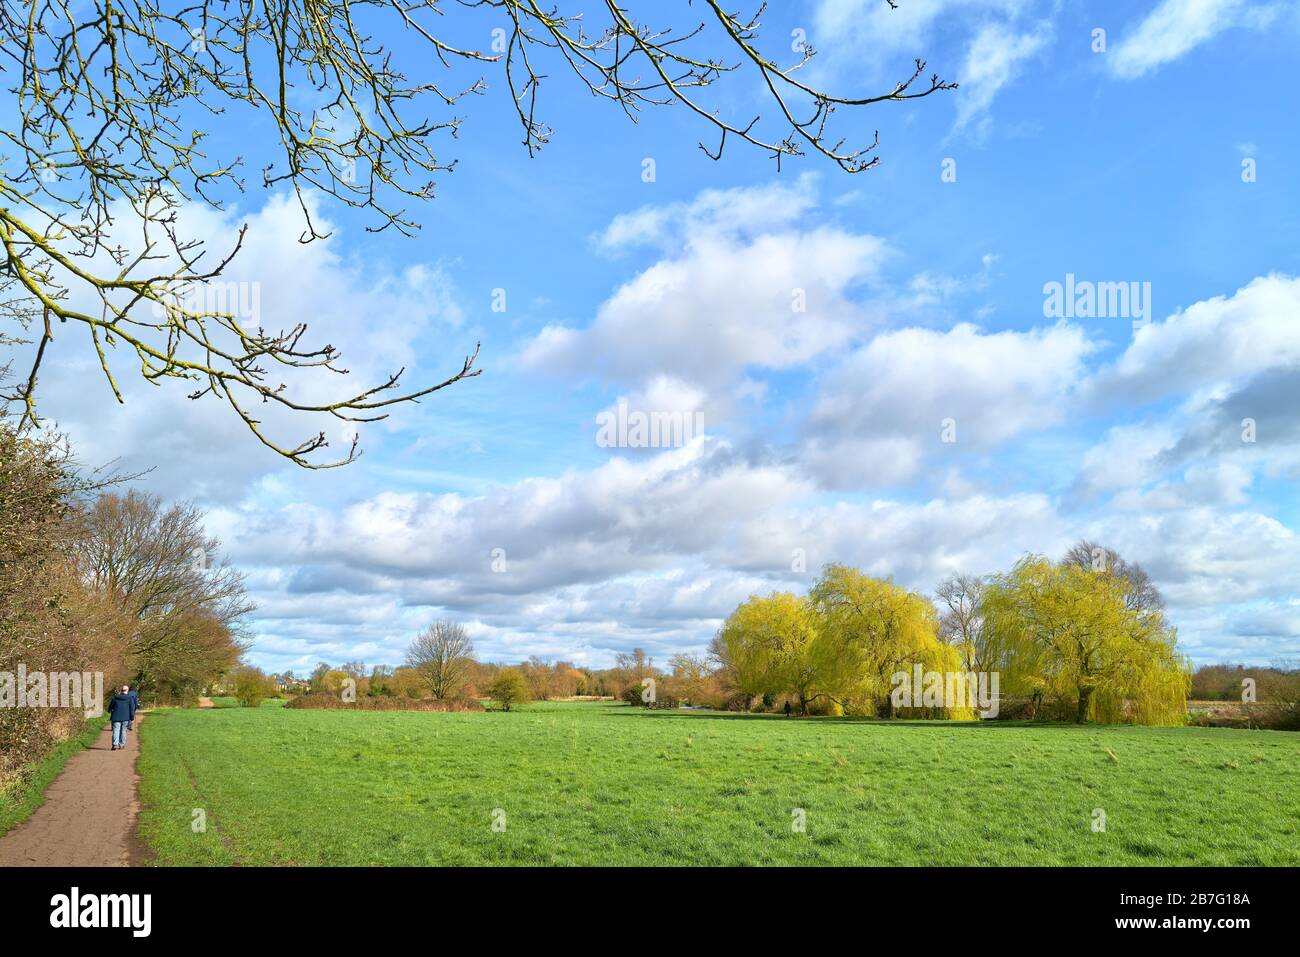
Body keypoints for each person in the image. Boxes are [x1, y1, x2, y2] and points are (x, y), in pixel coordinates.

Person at [109, 686, 133, 751]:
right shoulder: (129, 698)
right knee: (123, 731)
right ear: (127, 691)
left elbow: (111, 706)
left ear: (121, 690)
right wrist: (132, 717)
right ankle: (122, 745)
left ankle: (114, 744)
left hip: (116, 717)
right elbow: (132, 709)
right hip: (125, 717)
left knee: (116, 730)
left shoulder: (115, 697)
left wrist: (109, 710)